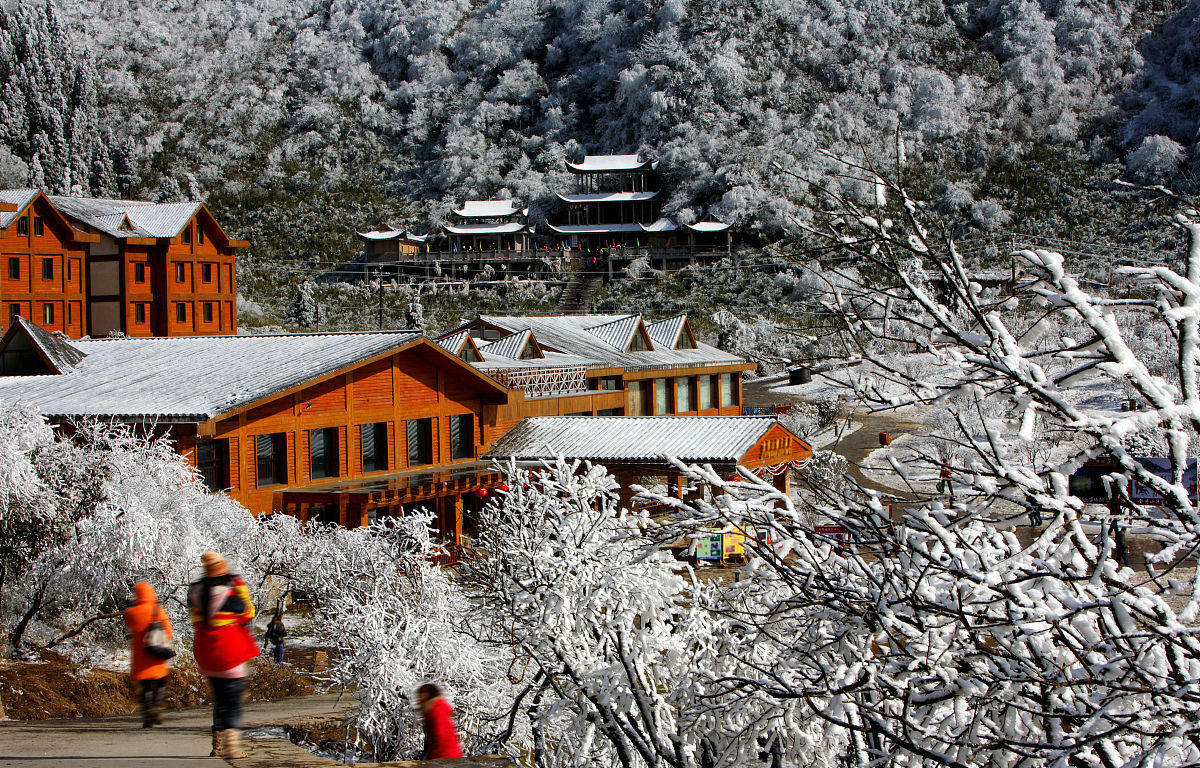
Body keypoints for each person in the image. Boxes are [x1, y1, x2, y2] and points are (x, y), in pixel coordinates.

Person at [188, 551, 258, 759]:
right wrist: (240, 589)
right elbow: (247, 613)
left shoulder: (195, 591)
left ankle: (217, 744)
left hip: (206, 652)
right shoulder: (228, 593)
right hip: (228, 653)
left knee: (220, 699)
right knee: (232, 701)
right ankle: (231, 747)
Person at [124, 582, 172, 728]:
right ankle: (157, 708)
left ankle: (147, 714)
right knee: (160, 681)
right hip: (156, 652)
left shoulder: (131, 613)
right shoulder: (158, 611)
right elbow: (168, 632)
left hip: (140, 654)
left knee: (146, 686)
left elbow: (129, 626)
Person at [417, 682, 463, 759]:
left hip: (445, 757)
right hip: (448, 755)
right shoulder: (434, 709)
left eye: (421, 695)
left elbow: (440, 736)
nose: (418, 699)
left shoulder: (436, 711)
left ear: (427, 695)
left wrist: (432, 756)